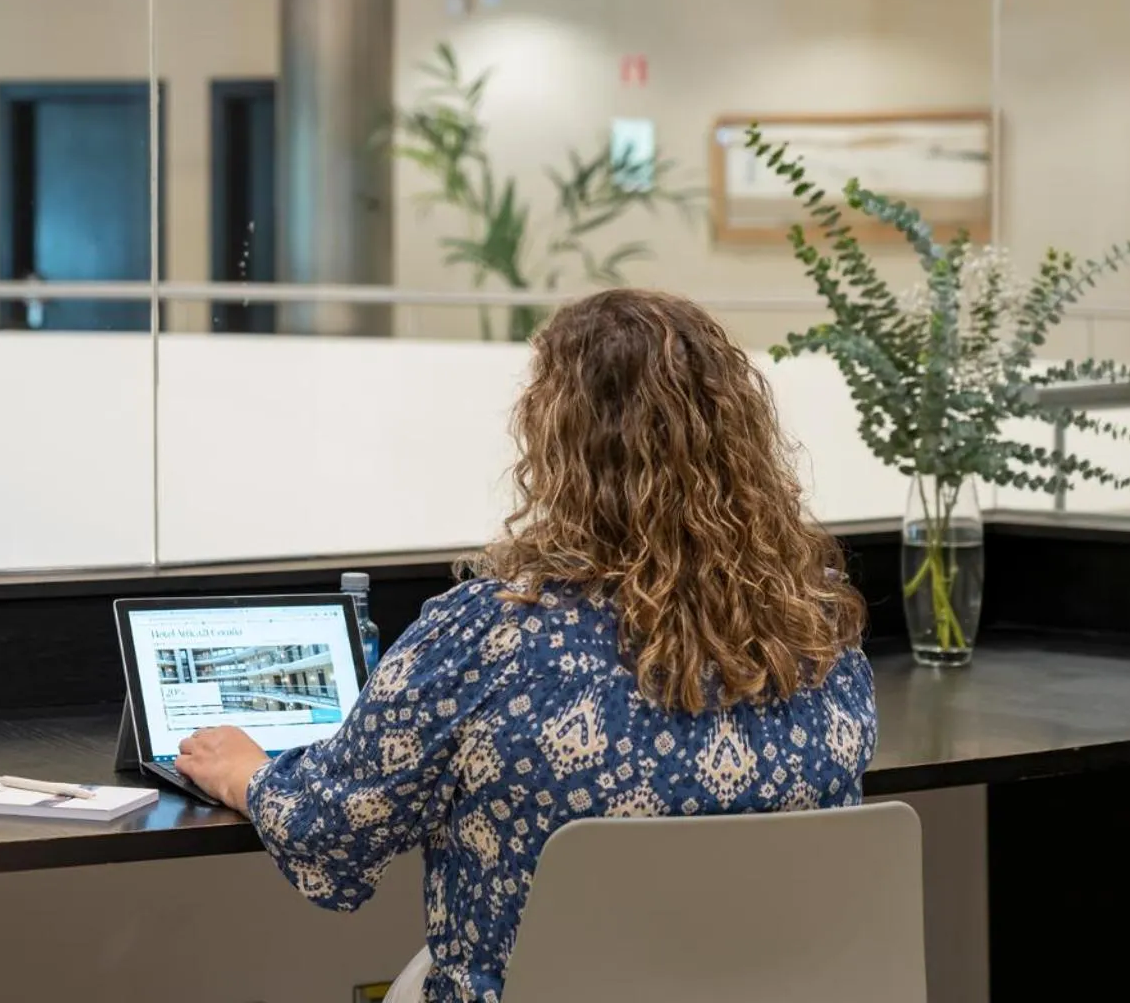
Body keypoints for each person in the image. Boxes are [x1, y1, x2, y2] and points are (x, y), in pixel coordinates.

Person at [177, 288, 875, 1003]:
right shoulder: (820, 634)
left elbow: (335, 833)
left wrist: (246, 773)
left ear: (554, 443)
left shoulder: (487, 636)